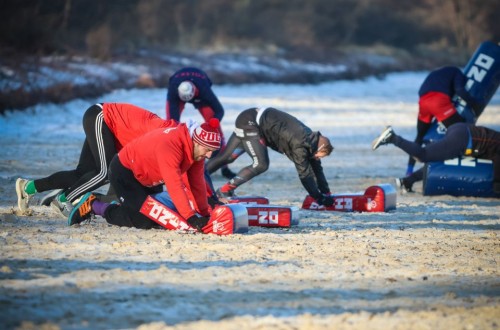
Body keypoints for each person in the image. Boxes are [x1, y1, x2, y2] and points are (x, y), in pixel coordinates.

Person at [15, 103, 177, 216]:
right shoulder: (162, 135)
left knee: (84, 173)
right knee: (104, 172)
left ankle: (28, 188)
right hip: (101, 117)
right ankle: (63, 199)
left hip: (110, 131)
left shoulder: (169, 140)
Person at [67, 119, 222, 231]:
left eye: (212, 152)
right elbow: (174, 184)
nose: (209, 155)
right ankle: (94, 205)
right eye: (207, 150)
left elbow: (197, 184)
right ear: (196, 141)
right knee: (142, 221)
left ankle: (122, 204)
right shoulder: (171, 145)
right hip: (125, 172)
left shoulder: (197, 153)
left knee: (159, 218)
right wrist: (191, 217)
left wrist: (205, 213)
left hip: (148, 180)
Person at [206, 107, 335, 206]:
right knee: (261, 165)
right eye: (320, 156)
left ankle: (198, 178)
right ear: (320, 148)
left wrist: (326, 192)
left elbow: (317, 169)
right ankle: (224, 190)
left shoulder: (311, 140)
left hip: (250, 117)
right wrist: (318, 198)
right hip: (251, 123)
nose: (317, 158)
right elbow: (305, 175)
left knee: (227, 158)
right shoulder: (300, 145)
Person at [397, 66, 483, 192]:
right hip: (439, 101)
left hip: (423, 101)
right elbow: (460, 91)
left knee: (419, 136)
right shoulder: (457, 72)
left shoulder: (438, 72)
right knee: (462, 132)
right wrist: (476, 104)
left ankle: (409, 172)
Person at [372, 123, 500, 194]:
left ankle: (408, 181)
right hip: (463, 139)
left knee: (440, 160)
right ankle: (393, 138)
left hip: (461, 130)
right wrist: (497, 187)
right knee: (423, 155)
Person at [166, 67, 235, 179]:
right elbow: (172, 121)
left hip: (200, 92)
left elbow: (220, 110)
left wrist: (212, 124)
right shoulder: (173, 89)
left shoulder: (204, 90)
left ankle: (224, 167)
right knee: (170, 128)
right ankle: (173, 163)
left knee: (216, 132)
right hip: (178, 89)